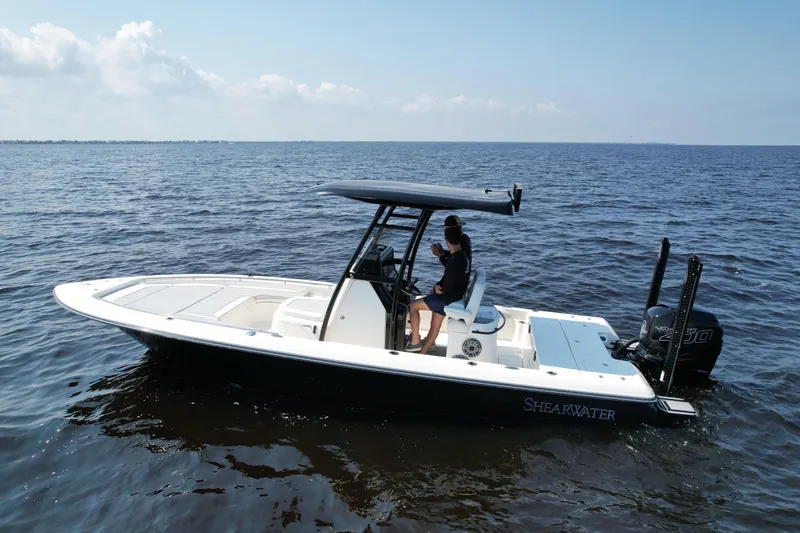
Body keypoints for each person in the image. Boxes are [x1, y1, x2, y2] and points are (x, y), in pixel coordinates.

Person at [407, 226, 471, 354]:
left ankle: (415, 342)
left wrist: (435, 289)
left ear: (447, 242)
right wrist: (441, 255)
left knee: (413, 306)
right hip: (455, 297)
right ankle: (422, 353)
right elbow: (451, 267)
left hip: (445, 299)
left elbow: (444, 288)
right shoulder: (463, 256)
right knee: (435, 326)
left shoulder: (455, 261)